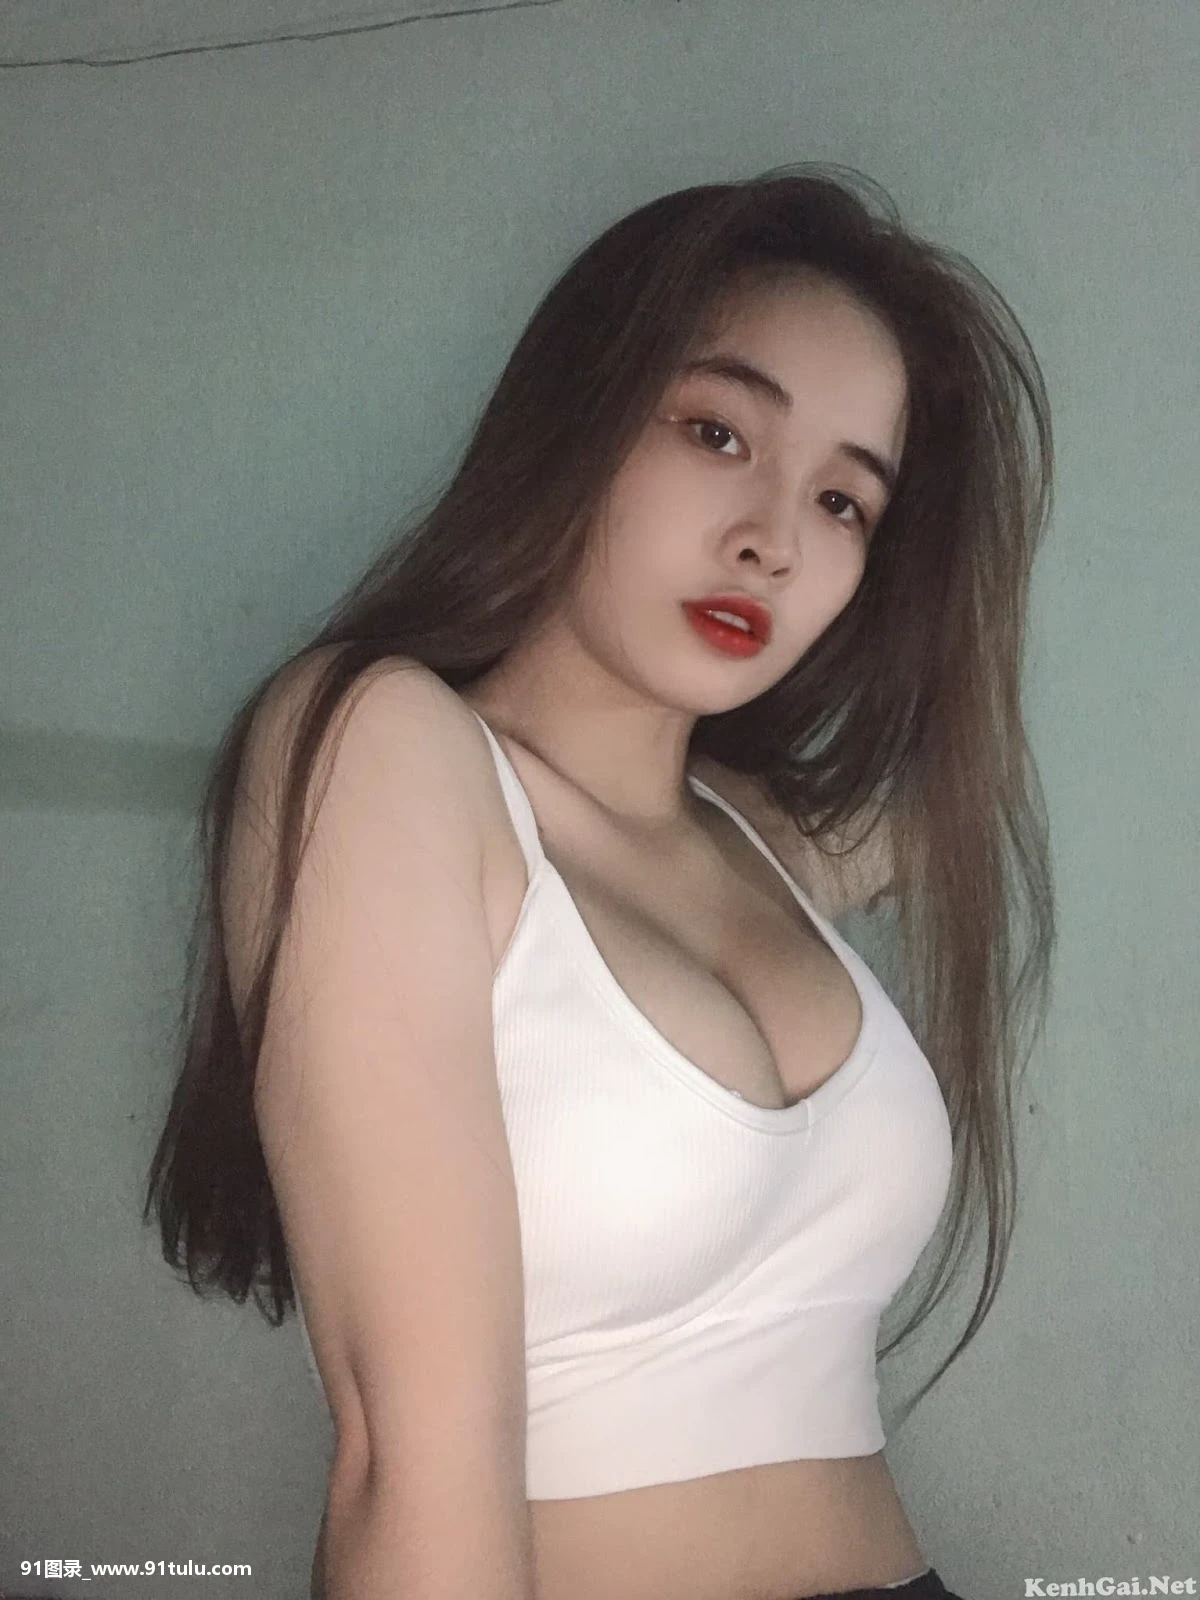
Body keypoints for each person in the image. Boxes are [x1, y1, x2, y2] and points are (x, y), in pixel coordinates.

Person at [143, 164, 1056, 1600]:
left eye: (843, 501)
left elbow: (919, 809)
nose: (773, 539)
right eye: (717, 431)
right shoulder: (388, 751)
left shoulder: (760, 840)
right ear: (580, 416)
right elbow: (410, 1455)